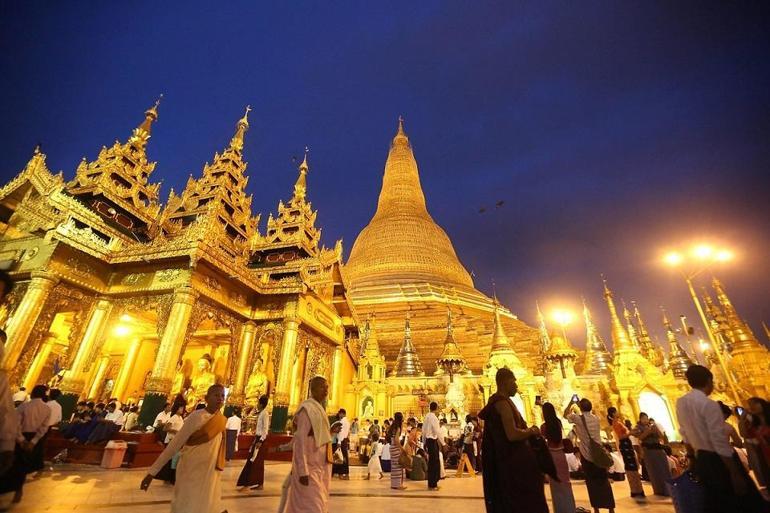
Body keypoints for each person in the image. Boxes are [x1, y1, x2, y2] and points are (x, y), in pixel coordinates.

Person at [677, 365, 767, 513]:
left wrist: (692, 459)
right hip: (720, 460)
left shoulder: (681, 403)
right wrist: (734, 472)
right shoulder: (709, 404)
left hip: (702, 459)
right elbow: (718, 441)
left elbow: (684, 433)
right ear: (709, 381)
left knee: (716, 502)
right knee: (744, 502)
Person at [141, 384, 228, 513]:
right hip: (191, 469)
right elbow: (175, 444)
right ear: (206, 398)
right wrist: (152, 472)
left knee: (207, 504)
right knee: (187, 504)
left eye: (222, 396)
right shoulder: (196, 417)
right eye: (216, 395)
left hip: (210, 471)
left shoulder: (221, 420)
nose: (220, 398)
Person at [478, 367, 547, 513]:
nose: (516, 386)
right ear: (504, 382)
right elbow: (512, 435)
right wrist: (531, 431)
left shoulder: (498, 401)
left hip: (503, 460)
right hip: (510, 461)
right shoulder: (502, 403)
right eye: (513, 382)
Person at [284, 376, 341, 513]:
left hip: (319, 466)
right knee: (313, 506)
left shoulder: (319, 409)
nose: (326, 391)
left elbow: (315, 435)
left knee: (316, 504)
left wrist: (330, 432)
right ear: (313, 389)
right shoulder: (307, 410)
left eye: (327, 388)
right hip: (308, 468)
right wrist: (303, 470)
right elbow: (301, 441)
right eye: (323, 387)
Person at [1, 384, 50, 504]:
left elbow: (15, 424)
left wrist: (21, 440)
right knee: (23, 465)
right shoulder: (47, 409)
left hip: (20, 437)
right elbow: (44, 428)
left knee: (13, 464)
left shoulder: (24, 406)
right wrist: (34, 441)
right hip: (34, 438)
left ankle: (10, 489)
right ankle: (18, 489)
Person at [565, 397, 615, 513]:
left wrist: (571, 404)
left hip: (587, 455)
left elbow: (565, 415)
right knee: (604, 481)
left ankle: (596, 509)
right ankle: (610, 508)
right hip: (598, 454)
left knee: (592, 483)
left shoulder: (578, 419)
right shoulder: (596, 418)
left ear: (581, 408)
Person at [540, 401, 577, 513]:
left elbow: (543, 441)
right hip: (561, 455)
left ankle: (560, 510)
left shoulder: (544, 427)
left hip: (551, 455)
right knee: (566, 483)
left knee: (555, 487)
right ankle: (570, 509)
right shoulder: (558, 423)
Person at [607, 406, 645, 498]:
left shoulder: (619, 422)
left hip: (627, 444)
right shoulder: (616, 423)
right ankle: (635, 489)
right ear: (613, 413)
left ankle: (637, 488)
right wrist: (631, 433)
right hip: (624, 445)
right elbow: (621, 436)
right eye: (616, 411)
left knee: (633, 466)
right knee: (630, 467)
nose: (618, 412)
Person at [631, 412, 670, 496]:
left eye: (646, 418)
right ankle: (659, 490)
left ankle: (668, 488)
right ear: (640, 419)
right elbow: (640, 438)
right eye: (643, 419)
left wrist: (657, 429)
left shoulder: (652, 426)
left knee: (664, 468)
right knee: (654, 470)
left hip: (658, 449)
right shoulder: (637, 427)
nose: (645, 420)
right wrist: (648, 432)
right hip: (649, 451)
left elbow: (661, 437)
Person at [237, 395, 270, 490]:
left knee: (253, 461)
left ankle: (247, 484)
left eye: (258, 403)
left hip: (261, 440)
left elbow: (265, 429)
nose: (257, 405)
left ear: (261, 404)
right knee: (258, 462)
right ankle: (260, 484)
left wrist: (260, 440)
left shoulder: (265, 414)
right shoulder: (261, 413)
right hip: (258, 438)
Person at [739, 397, 770, 491]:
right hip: (766, 458)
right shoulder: (755, 425)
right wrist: (742, 418)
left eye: (754, 403)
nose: (751, 406)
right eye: (749, 404)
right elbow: (743, 434)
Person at [155, 403, 186, 484]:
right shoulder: (174, 417)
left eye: (182, 408)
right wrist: (176, 431)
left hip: (177, 441)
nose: (182, 410)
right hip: (170, 440)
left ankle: (170, 477)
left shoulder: (180, 418)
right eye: (180, 408)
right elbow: (165, 428)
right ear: (176, 409)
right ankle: (167, 477)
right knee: (170, 460)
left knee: (174, 460)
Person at [423, 401, 443, 490]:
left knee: (432, 462)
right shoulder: (434, 418)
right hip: (432, 441)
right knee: (434, 462)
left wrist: (424, 442)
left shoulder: (427, 416)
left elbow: (423, 430)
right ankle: (433, 484)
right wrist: (443, 443)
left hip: (428, 441)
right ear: (436, 408)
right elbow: (437, 431)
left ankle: (431, 483)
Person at [387, 412, 407, 490]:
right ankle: (398, 485)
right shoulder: (398, 427)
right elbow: (396, 440)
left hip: (392, 447)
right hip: (395, 448)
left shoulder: (393, 427)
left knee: (394, 467)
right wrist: (402, 449)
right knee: (398, 467)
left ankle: (394, 484)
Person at [332, 408, 350, 479]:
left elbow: (341, 432)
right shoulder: (347, 422)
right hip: (344, 440)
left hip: (341, 440)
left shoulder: (342, 422)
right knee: (343, 456)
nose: (339, 415)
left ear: (342, 414)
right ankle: (343, 473)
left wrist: (339, 442)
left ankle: (342, 473)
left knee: (340, 457)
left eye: (340, 414)